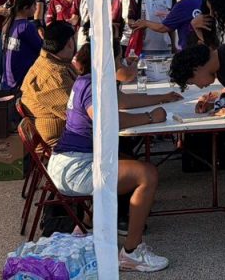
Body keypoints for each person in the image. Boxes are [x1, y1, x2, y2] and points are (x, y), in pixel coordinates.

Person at [47, 40, 173, 272]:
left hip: (68, 161)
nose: (121, 64)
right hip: (74, 169)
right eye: (118, 60)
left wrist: (162, 98)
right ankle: (132, 252)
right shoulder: (93, 86)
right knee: (147, 174)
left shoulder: (88, 80)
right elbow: (107, 122)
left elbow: (123, 102)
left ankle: (87, 228)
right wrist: (149, 117)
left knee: (125, 157)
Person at [137, 0, 203, 52]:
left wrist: (145, 23)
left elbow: (163, 27)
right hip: (206, 47)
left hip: (189, 49)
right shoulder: (204, 0)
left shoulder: (182, 5)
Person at [3, 0, 43, 90]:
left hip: (8, 80)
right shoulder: (26, 26)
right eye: (34, 5)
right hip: (22, 79)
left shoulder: (7, 23)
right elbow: (41, 49)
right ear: (26, 8)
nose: (36, 8)